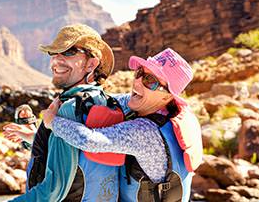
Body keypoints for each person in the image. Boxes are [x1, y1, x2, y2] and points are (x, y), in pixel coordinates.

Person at [43, 48, 203, 202]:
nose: (138, 81)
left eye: (150, 80)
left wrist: (53, 122)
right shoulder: (177, 113)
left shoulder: (144, 132)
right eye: (139, 72)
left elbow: (89, 140)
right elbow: (115, 100)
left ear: (167, 96)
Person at [7, 24, 121, 201]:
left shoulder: (69, 109)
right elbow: (80, 160)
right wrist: (37, 138)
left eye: (69, 52)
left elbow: (53, 190)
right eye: (53, 53)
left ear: (91, 64)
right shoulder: (101, 100)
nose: (56, 60)